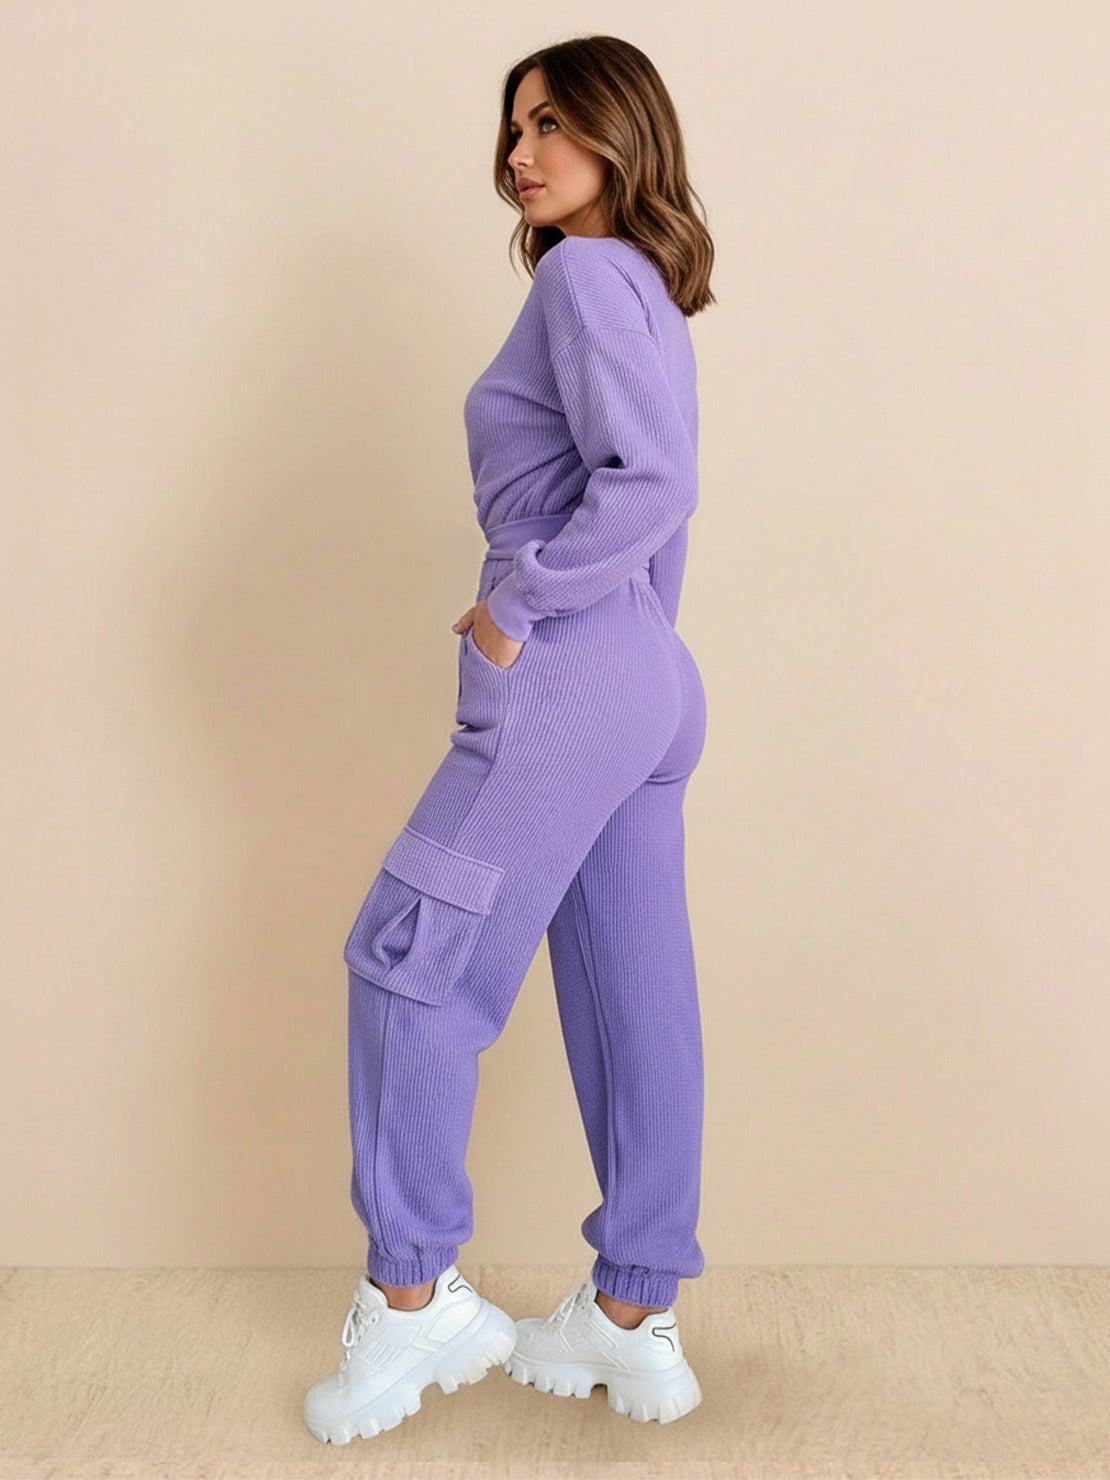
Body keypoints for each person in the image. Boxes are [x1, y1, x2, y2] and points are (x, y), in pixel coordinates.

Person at [304, 34, 716, 1444]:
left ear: (620, 134)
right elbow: (665, 507)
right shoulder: (646, 286)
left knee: (407, 957)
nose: (520, 153)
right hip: (643, 675)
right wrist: (634, 673)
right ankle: (633, 1315)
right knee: (634, 993)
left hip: (573, 668)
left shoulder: (583, 276)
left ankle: (410, 1303)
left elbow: (651, 483)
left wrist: (519, 612)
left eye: (551, 124)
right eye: (514, 127)